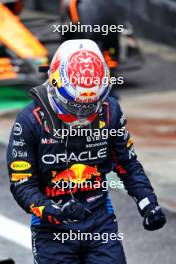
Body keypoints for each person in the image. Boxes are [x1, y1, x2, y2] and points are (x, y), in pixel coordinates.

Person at [7, 39, 166, 264]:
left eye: (90, 106)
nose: (82, 114)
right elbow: (23, 184)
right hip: (52, 229)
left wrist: (148, 203)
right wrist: (54, 210)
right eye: (75, 105)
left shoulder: (110, 112)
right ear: (54, 84)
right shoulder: (29, 121)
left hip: (99, 221)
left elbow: (127, 163)